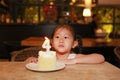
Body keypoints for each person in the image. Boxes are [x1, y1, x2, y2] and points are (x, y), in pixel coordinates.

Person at [26, 24, 105, 64]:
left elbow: (100, 58)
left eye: (66, 37)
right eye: (57, 37)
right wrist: (32, 59)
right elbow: (26, 62)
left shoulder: (73, 57)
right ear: (52, 43)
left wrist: (73, 61)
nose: (61, 40)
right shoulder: (48, 57)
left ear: (74, 44)